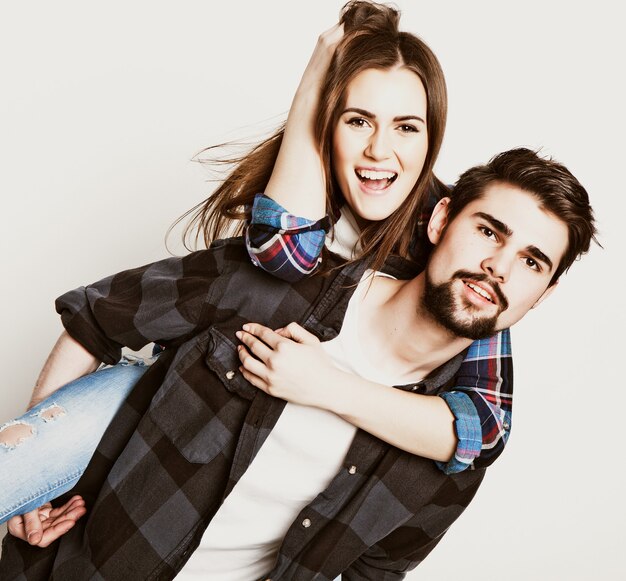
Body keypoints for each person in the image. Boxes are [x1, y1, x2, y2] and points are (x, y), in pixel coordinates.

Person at [1, 0, 508, 542]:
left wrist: (325, 386)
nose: (379, 150)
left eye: (407, 127)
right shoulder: (277, 232)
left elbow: (483, 425)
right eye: (357, 120)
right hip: (152, 421)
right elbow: (280, 254)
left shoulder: (458, 245)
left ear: (433, 140)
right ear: (325, 124)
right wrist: (44, 481)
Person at [0, 148, 597, 579]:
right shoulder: (278, 288)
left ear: (541, 296)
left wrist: (329, 387)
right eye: (489, 231)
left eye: (532, 262)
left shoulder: (451, 450)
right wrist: (41, 482)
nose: (499, 266)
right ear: (440, 221)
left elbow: (378, 570)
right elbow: (99, 317)